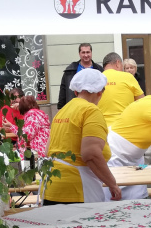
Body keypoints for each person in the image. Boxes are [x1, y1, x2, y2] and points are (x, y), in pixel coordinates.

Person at [42, 68, 121, 204]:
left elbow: (47, 150)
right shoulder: (90, 111)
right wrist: (112, 183)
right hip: (76, 189)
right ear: (99, 92)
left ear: (76, 91)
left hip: (51, 185)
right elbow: (91, 154)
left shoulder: (62, 112)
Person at [98, 52, 144, 128]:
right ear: (118, 63)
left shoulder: (96, 78)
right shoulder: (128, 77)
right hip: (124, 127)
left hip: (101, 127)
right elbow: (142, 102)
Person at [57, 43, 103, 110]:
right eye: (83, 52)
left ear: (91, 53)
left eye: (88, 52)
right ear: (79, 54)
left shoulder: (99, 70)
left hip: (95, 107)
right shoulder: (70, 70)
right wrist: (60, 108)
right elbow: (63, 90)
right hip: (75, 108)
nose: (86, 55)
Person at [15, 95, 51, 165]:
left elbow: (27, 135)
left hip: (37, 154)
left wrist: (11, 127)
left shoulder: (32, 115)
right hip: (43, 151)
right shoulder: (38, 114)